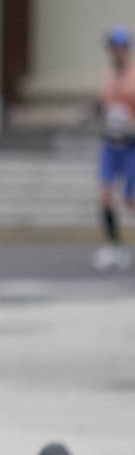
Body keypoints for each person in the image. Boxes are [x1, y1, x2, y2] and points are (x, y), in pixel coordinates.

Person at [92, 25, 135, 271]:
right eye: (112, 47)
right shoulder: (108, 75)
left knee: (131, 200)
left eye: (119, 47)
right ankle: (113, 247)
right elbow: (104, 105)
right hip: (111, 145)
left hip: (131, 145)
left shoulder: (133, 75)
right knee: (105, 197)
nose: (115, 52)